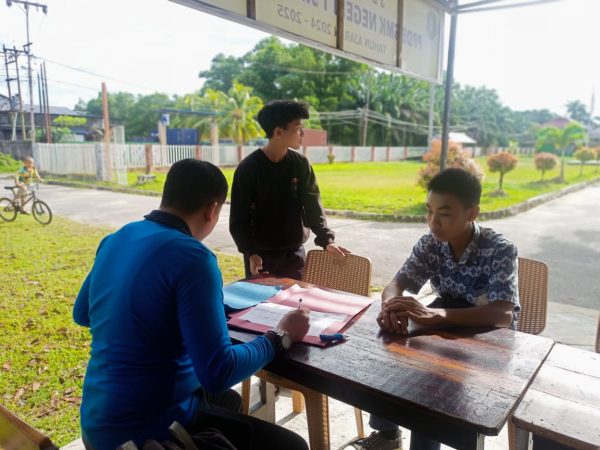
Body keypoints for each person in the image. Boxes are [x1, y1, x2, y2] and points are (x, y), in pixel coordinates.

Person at [73, 159, 311, 450]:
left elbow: (82, 313)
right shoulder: (194, 257)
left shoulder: (117, 238)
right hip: (145, 436)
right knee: (293, 445)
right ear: (212, 210)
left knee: (228, 401)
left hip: (97, 422)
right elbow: (219, 373)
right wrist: (280, 336)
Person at [349, 168, 520, 450]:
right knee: (388, 350)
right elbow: (396, 284)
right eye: (429, 211)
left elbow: (502, 314)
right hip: (444, 324)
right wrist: (391, 307)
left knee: (430, 386)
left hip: (487, 336)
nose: (433, 222)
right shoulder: (431, 244)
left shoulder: (499, 249)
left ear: (472, 213)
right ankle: (387, 435)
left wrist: (434, 315)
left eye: (444, 214)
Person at [229, 99, 350, 280]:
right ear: (278, 132)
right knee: (265, 298)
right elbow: (239, 219)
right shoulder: (249, 169)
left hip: (295, 255)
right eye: (298, 127)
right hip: (260, 257)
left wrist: (327, 241)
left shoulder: (300, 165)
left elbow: (313, 206)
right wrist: (250, 252)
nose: (303, 132)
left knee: (296, 296)